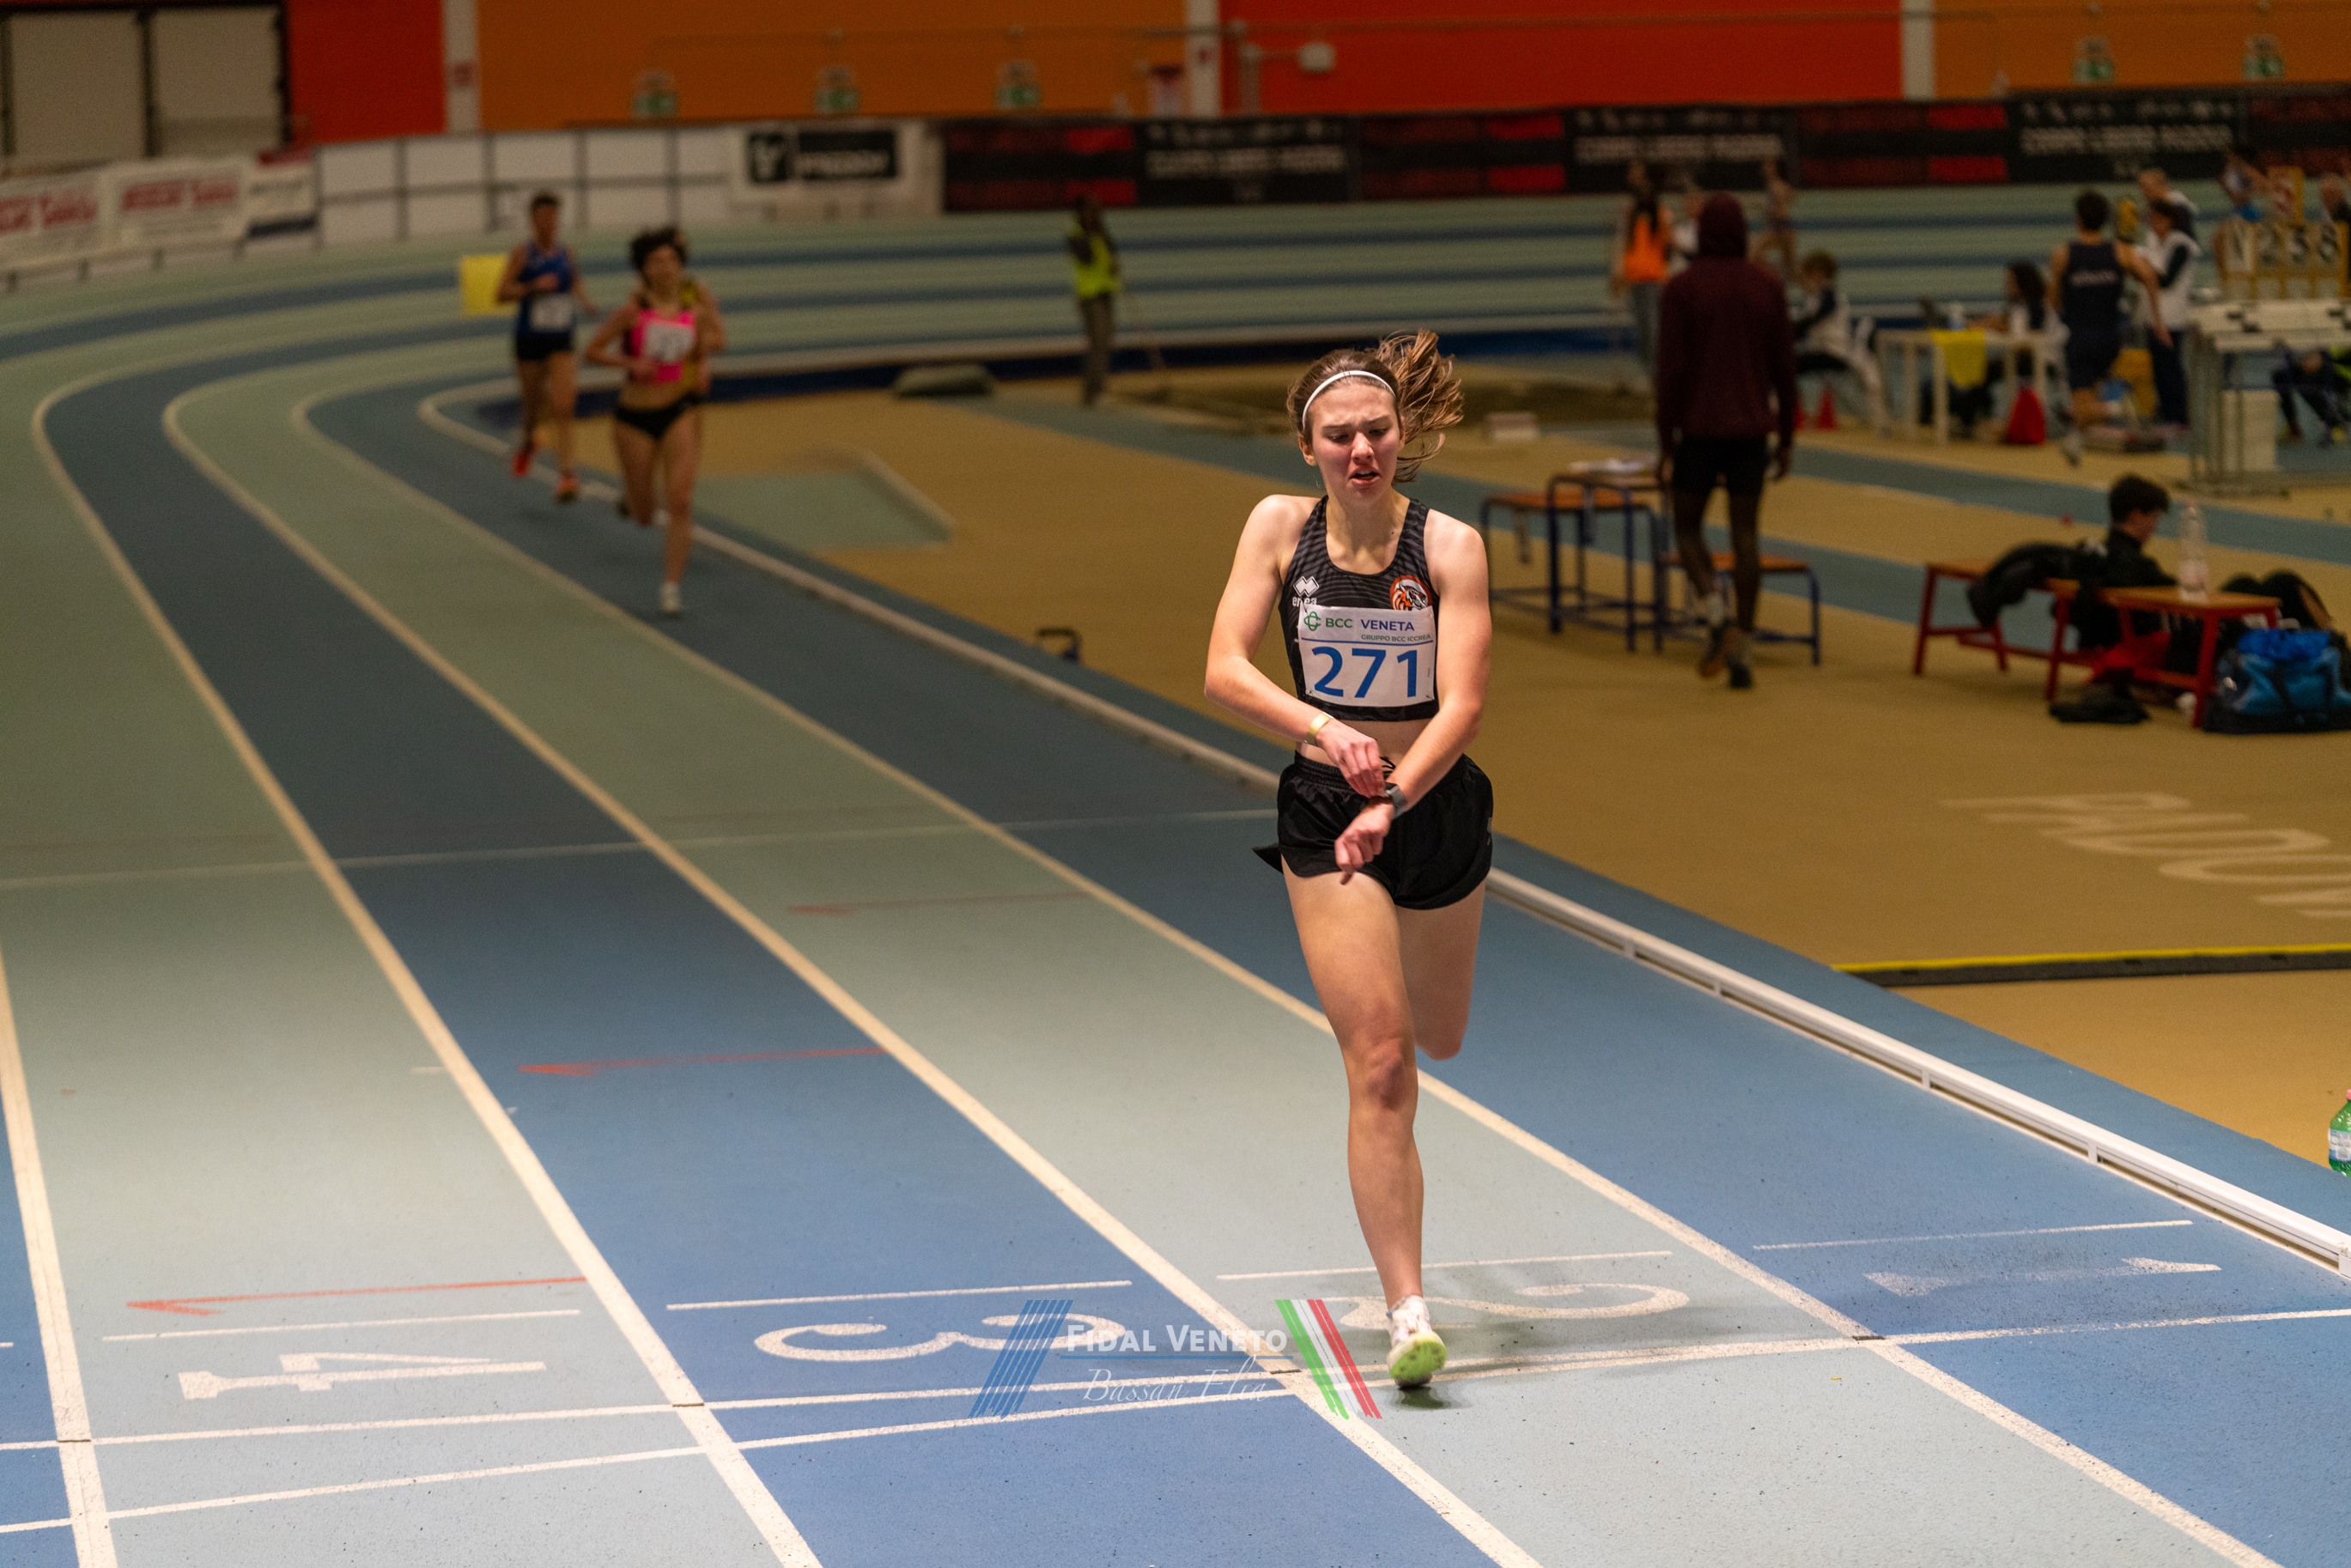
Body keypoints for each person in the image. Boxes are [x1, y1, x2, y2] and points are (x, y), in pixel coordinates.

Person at [1203, 332, 1489, 1392]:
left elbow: (1462, 703)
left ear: (1401, 435)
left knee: (1440, 1036)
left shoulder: (1449, 546)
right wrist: (1326, 732)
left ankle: (1413, 984)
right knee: (1381, 1062)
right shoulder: (1278, 530)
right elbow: (1222, 668)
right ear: (1307, 446)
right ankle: (1407, 1309)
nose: (1360, 449)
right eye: (1338, 436)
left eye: (1375, 431)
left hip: (1431, 800)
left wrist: (1396, 796)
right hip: (1328, 809)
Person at [1656, 193, 1798, 690]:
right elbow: (1785, 368)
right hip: (1752, 432)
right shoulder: (1767, 285)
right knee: (1746, 536)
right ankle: (1745, 646)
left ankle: (1717, 615)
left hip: (1698, 429)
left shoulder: (1682, 288)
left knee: (1686, 526)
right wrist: (1787, 438)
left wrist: (1666, 444)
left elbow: (1669, 373)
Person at [585, 227, 719, 618]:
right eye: (656, 262)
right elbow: (592, 351)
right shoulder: (632, 312)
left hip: (678, 409)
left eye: (672, 260)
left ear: (681, 265)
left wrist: (703, 366)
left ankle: (671, 587)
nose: (665, 268)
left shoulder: (695, 310)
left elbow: (703, 349)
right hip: (634, 418)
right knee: (645, 516)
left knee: (680, 500)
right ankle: (632, 497)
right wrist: (629, 363)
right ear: (643, 269)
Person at [2051, 188, 2169, 465]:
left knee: (2081, 408)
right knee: (2087, 406)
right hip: (2109, 338)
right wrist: (2158, 321)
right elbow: (2151, 276)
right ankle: (2076, 441)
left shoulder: (2063, 254)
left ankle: (2120, 407)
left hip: (2079, 338)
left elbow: (2053, 301)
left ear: (2078, 219)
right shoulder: (2121, 252)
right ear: (2105, 221)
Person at [495, 191, 598, 501]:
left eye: (553, 216)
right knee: (532, 406)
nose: (548, 222)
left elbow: (574, 280)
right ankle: (529, 442)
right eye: (542, 216)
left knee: (563, 406)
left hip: (561, 336)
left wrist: (585, 301)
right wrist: (531, 288)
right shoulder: (522, 254)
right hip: (529, 338)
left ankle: (567, 476)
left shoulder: (567, 252)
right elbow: (501, 293)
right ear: (532, 220)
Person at [1947, 260, 2051, 436]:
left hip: (2039, 358)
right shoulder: (2016, 304)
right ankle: (1970, 416)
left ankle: (1967, 418)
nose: (2007, 285)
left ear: (2022, 281)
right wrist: (1982, 325)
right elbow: (2003, 322)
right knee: (1983, 369)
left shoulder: (2037, 305)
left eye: (2011, 281)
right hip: (2019, 356)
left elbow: (2028, 338)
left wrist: (1998, 327)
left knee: (1987, 370)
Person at [2135, 200, 2199, 433]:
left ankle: (2180, 416)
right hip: (2154, 316)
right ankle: (2167, 412)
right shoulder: (2155, 245)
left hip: (2171, 317)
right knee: (2159, 368)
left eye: (2157, 219)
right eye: (2150, 220)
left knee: (2171, 367)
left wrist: (2143, 272)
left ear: (2169, 220)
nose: (2153, 224)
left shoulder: (2181, 245)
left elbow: (2167, 280)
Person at [1610, 161, 1672, 390]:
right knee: (1644, 332)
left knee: (1654, 331)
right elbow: (1625, 248)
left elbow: (1667, 249)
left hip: (1654, 281)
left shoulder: (1662, 215)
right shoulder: (1631, 217)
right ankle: (1649, 374)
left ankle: (1657, 375)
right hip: (1636, 280)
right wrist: (1619, 273)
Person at [1069, 195, 1121, 407]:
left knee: (1105, 343)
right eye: (1091, 211)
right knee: (1098, 344)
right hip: (1090, 297)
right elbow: (1087, 258)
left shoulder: (1102, 234)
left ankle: (1095, 390)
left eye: (1097, 211)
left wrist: (1114, 265)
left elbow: (1111, 255)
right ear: (1081, 213)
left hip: (1107, 293)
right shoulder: (1077, 235)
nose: (1095, 215)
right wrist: (1092, 232)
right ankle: (1094, 392)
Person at [2274, 347, 2351, 444]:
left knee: (2306, 380)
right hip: (2317, 357)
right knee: (2281, 376)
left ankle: (2336, 425)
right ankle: (2292, 428)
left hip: (2339, 367)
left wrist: (2321, 355)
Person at [1752, 156, 1799, 281]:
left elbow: (1780, 211)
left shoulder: (1776, 186)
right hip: (1782, 227)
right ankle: (1771, 277)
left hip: (1782, 227)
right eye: (1764, 166)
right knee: (1790, 268)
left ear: (1775, 168)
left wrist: (1766, 210)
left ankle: (1770, 277)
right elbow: (1791, 196)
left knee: (1756, 251)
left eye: (1769, 166)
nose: (1765, 169)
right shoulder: (1773, 185)